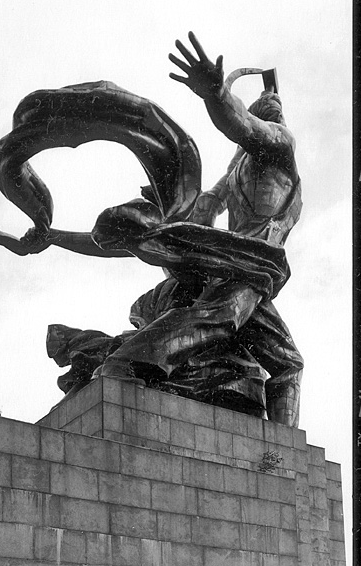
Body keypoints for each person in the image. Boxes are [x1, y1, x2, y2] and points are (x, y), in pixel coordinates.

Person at [96, 33, 304, 425]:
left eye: (276, 107)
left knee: (288, 361)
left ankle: (280, 450)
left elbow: (208, 205)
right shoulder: (275, 146)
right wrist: (217, 96)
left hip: (243, 264)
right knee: (219, 316)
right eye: (270, 108)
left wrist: (191, 242)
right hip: (254, 261)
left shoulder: (247, 168)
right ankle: (126, 362)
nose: (276, 111)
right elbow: (243, 127)